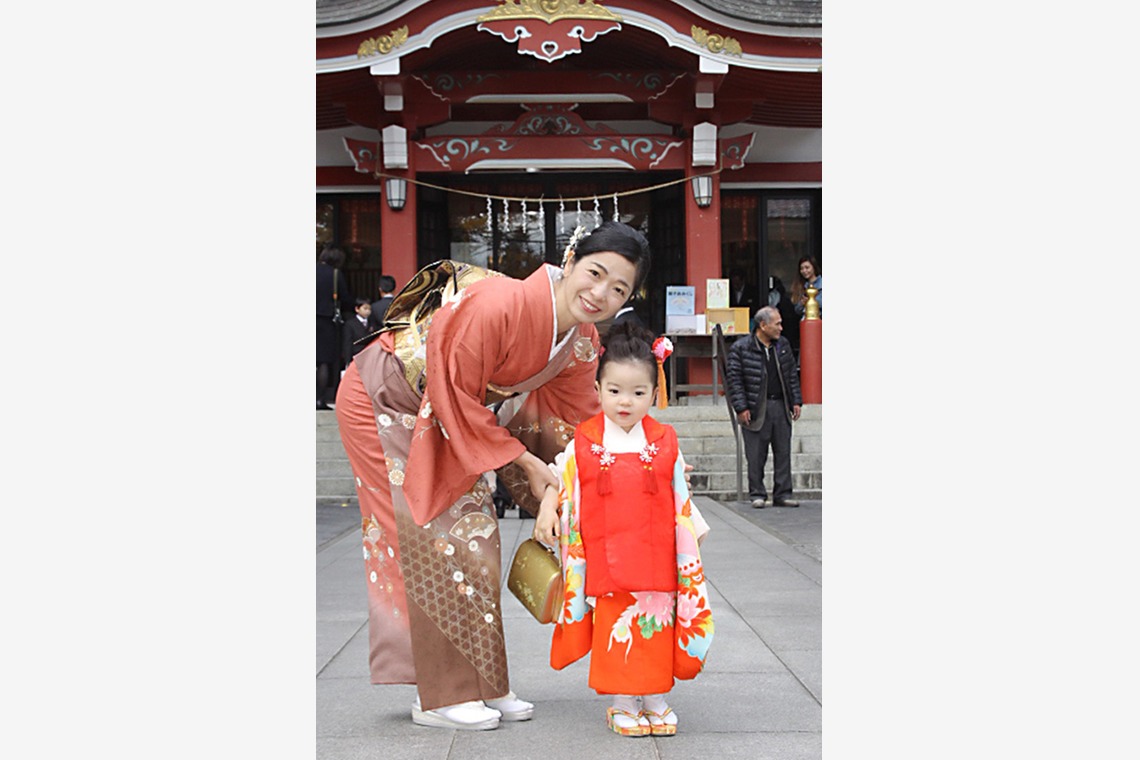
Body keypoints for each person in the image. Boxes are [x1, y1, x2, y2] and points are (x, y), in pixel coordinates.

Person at [333, 221, 653, 731]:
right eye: (595, 274)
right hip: (386, 400)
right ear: (570, 261)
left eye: (619, 289)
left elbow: (578, 419)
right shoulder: (497, 303)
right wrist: (523, 461)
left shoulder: (580, 341)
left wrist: (611, 469)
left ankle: (481, 680)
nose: (600, 294)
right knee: (425, 534)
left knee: (477, 537)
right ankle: (438, 694)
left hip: (450, 417)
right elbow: (453, 390)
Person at [533, 322, 713, 737]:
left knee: (656, 623)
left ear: (655, 392)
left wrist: (691, 540)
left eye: (637, 392)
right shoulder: (586, 439)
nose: (625, 402)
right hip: (607, 553)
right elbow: (561, 477)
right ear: (597, 390)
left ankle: (653, 697)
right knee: (617, 624)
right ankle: (621, 701)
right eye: (614, 391)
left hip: (656, 552)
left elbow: (680, 495)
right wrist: (547, 509)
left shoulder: (665, 439)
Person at [725, 306, 803, 508]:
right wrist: (741, 407)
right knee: (755, 454)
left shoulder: (782, 345)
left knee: (783, 451)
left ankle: (783, 493)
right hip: (756, 406)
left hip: (780, 403)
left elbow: (791, 375)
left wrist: (796, 400)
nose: (781, 328)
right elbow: (735, 381)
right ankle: (757, 493)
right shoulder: (741, 348)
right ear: (763, 325)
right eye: (777, 324)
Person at [317, 245, 353, 410]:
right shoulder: (335, 275)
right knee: (323, 361)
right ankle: (320, 399)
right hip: (326, 320)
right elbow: (345, 298)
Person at [789, 256, 822, 320]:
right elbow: (797, 310)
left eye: (807, 268)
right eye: (802, 269)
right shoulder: (801, 285)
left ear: (814, 267)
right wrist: (802, 303)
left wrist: (811, 301)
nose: (804, 271)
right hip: (806, 322)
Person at [343, 297, 373, 367]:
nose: (368, 311)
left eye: (369, 309)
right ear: (357, 309)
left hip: (369, 356)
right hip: (356, 355)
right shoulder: (350, 324)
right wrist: (347, 360)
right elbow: (348, 343)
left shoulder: (372, 323)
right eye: (365, 308)